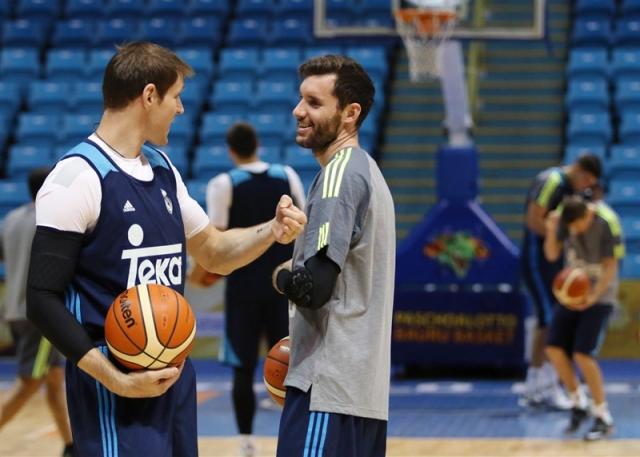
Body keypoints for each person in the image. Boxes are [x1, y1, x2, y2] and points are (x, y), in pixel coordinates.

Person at [25, 42, 306, 457]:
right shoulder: (76, 178)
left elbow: (213, 250)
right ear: (149, 95)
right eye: (176, 97)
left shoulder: (161, 169)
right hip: (114, 374)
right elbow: (41, 299)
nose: (180, 109)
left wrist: (272, 230)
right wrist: (115, 379)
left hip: (175, 369)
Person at [272, 55, 395, 457]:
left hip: (327, 388)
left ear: (350, 113)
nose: (298, 110)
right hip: (363, 393)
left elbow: (315, 289)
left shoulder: (340, 174)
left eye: (313, 102)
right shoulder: (369, 172)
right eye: (300, 99)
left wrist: (279, 273)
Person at [190, 122, 306, 457]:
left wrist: (200, 277)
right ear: (257, 144)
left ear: (231, 150)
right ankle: (296, 436)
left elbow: (217, 243)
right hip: (285, 285)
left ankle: (245, 442)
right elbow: (302, 223)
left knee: (242, 366)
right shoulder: (287, 174)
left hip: (242, 287)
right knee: (291, 364)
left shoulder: (222, 183)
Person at [0, 168, 73, 457]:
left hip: (15, 311)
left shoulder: (11, 219)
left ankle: (70, 445)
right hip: (40, 314)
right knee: (30, 383)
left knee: (54, 378)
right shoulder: (49, 221)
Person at [520, 154, 602, 408]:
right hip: (537, 258)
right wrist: (560, 238)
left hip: (553, 261)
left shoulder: (571, 190)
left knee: (550, 319)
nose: (586, 186)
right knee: (548, 319)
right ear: (578, 170)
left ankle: (536, 384)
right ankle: (544, 387)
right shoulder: (552, 181)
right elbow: (534, 219)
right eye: (586, 180)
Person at [544, 195, 624, 441]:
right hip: (570, 294)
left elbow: (611, 265)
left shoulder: (606, 221)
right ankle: (578, 401)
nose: (575, 231)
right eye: (572, 228)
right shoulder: (564, 220)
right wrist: (550, 230)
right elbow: (550, 255)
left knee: (582, 354)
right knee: (554, 348)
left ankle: (603, 416)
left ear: (588, 215)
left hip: (599, 295)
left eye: (578, 226)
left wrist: (593, 295)